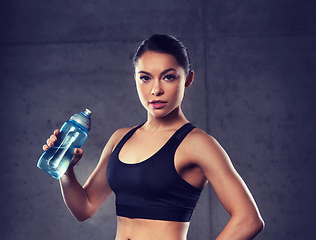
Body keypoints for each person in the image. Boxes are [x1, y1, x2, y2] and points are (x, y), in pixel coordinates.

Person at [42, 34, 264, 240]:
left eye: (168, 77)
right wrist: (66, 170)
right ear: (136, 80)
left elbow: (249, 220)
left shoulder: (198, 144)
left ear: (187, 79)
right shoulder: (120, 138)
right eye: (145, 78)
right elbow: (84, 208)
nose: (156, 90)